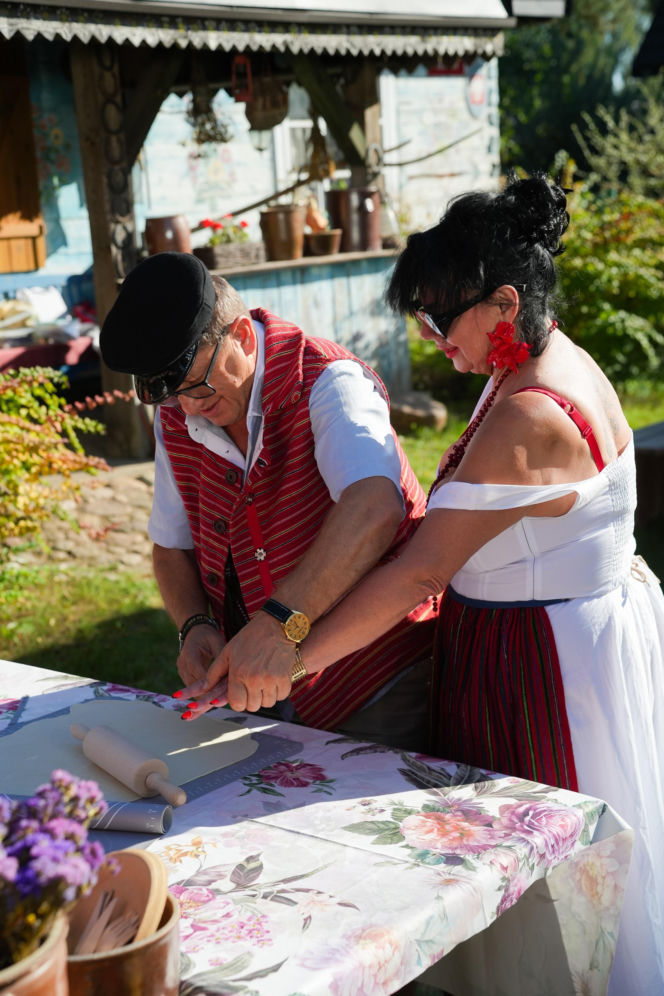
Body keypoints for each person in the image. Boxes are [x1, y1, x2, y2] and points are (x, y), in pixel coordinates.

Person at [184, 176, 664, 993]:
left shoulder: (529, 415)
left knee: (554, 881)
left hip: (543, 672)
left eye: (442, 318)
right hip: (556, 636)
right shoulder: (546, 356)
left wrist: (289, 655)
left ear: (504, 304)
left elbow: (418, 568)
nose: (432, 335)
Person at [99, 251, 434, 748]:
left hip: (374, 673)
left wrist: (279, 625)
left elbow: (374, 507)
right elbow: (171, 545)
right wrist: (194, 623)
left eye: (199, 383)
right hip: (262, 680)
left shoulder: (328, 380)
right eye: (174, 393)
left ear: (243, 337)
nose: (191, 406)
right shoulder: (178, 410)